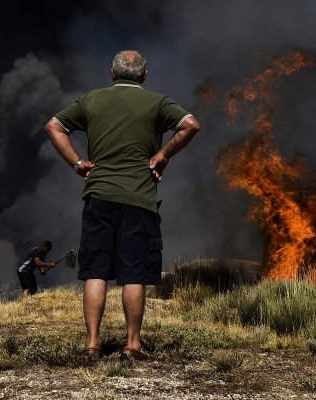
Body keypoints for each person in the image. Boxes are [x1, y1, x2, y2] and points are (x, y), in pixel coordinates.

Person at [45, 50, 200, 362]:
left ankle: (92, 344)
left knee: (96, 272)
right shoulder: (158, 102)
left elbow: (53, 126)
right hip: (139, 200)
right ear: (144, 75)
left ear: (112, 74)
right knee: (133, 274)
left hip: (99, 196)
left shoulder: (91, 100)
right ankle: (132, 345)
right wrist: (164, 154)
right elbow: (191, 125)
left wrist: (77, 163)